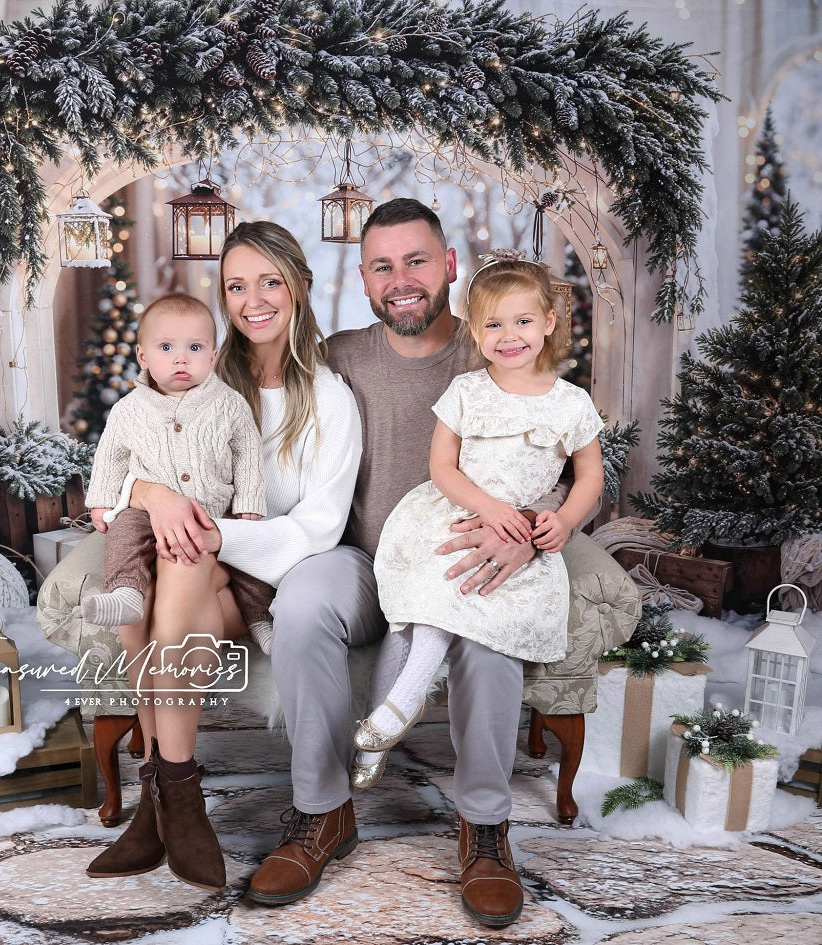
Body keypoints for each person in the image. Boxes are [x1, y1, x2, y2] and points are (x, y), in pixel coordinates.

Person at [246, 198, 572, 928]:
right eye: (383, 266)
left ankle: (484, 828)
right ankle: (321, 812)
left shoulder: (500, 348)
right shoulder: (339, 357)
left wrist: (522, 528)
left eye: (417, 261)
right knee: (300, 604)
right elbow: (265, 427)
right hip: (363, 559)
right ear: (363, 279)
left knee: (490, 631)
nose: (402, 279)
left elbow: (571, 454)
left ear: (450, 266)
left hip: (466, 552)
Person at [86, 222, 362, 895]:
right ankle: (169, 803)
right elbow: (123, 463)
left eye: (270, 280)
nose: (254, 299)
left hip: (267, 569)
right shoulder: (200, 371)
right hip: (195, 561)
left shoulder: (327, 397)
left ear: (300, 285)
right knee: (160, 577)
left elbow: (319, 527)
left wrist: (210, 533)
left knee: (180, 556)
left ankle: (169, 795)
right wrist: (153, 494)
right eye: (237, 285)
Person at [352, 258, 604, 779]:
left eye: (523, 321)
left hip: (521, 538)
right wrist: (488, 507)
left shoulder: (571, 404)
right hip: (455, 516)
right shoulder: (467, 391)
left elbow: (590, 479)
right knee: (421, 607)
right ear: (474, 330)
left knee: (458, 604)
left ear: (550, 323)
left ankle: (398, 709)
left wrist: (564, 520)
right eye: (493, 324)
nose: (508, 336)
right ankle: (382, 728)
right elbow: (441, 466)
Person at [82, 292, 266, 631]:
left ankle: (259, 619)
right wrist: (101, 501)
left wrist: (249, 503)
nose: (181, 359)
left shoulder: (229, 404)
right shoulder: (128, 409)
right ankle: (125, 591)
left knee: (245, 555)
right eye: (166, 348)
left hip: (213, 509)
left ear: (212, 357)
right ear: (143, 356)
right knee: (123, 535)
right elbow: (110, 456)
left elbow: (248, 454)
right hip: (146, 514)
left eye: (194, 348)